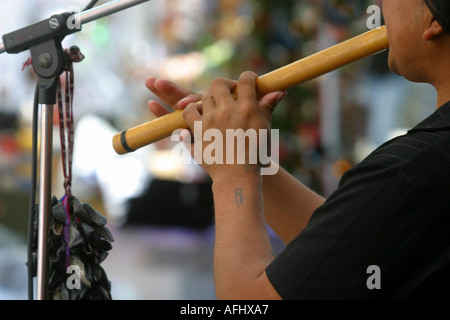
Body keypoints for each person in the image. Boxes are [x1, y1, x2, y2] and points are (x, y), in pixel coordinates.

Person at [144, 0, 450, 299]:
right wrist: (242, 152)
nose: (380, 5)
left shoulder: (410, 172)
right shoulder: (422, 169)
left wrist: (232, 172)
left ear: (434, 19)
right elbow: (348, 246)